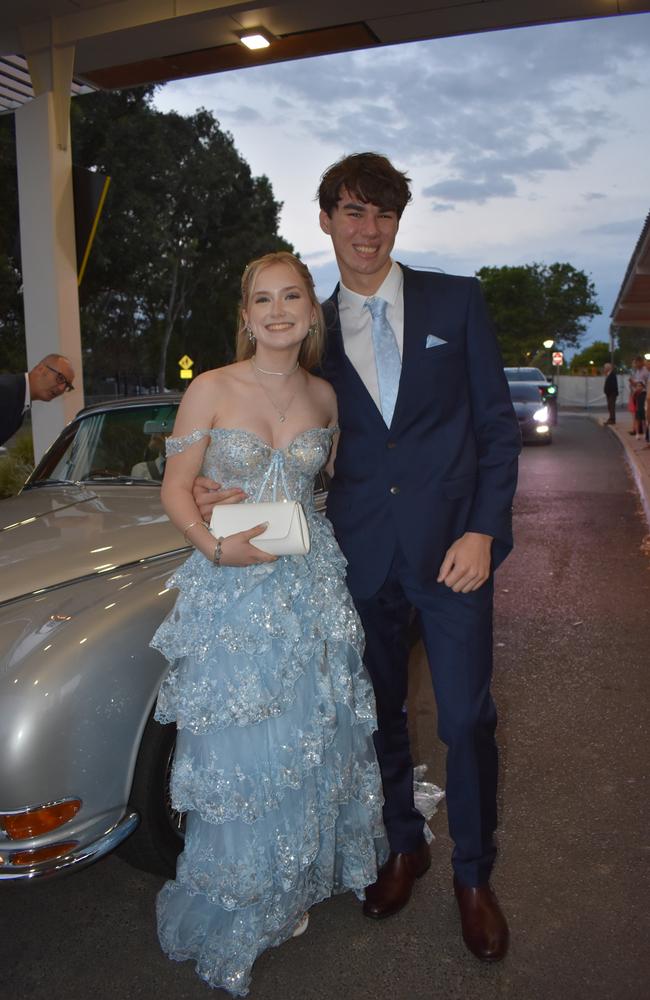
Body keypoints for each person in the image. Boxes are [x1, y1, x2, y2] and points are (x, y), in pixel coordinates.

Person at [195, 153, 521, 964]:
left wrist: (483, 529)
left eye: (381, 213)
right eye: (350, 212)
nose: (366, 229)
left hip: (455, 556)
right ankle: (402, 846)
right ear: (327, 222)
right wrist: (219, 488)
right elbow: (284, 429)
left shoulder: (458, 300)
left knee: (463, 717)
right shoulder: (313, 329)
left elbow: (495, 431)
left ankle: (474, 878)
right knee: (376, 716)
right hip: (357, 558)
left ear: (397, 221)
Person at [150, 251, 386, 996]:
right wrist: (216, 543)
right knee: (244, 752)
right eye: (262, 299)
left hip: (311, 587)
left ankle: (294, 880)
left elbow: (321, 489)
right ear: (245, 315)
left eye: (292, 297)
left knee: (310, 738)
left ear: (313, 311)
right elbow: (176, 490)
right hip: (234, 596)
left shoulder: (325, 398)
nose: (277, 310)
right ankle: (245, 894)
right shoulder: (212, 388)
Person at [0, 354, 75, 446]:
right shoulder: (5, 390)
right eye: (60, 378)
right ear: (40, 369)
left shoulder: (20, 398)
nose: (61, 388)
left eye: (67, 385)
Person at [628, 356, 648, 437]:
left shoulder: (645, 371)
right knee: (638, 412)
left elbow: (642, 383)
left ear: (640, 362)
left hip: (643, 394)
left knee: (642, 413)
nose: (635, 365)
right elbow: (637, 382)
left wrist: (635, 383)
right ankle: (638, 430)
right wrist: (632, 382)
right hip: (637, 394)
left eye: (636, 363)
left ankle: (644, 432)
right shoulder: (637, 371)